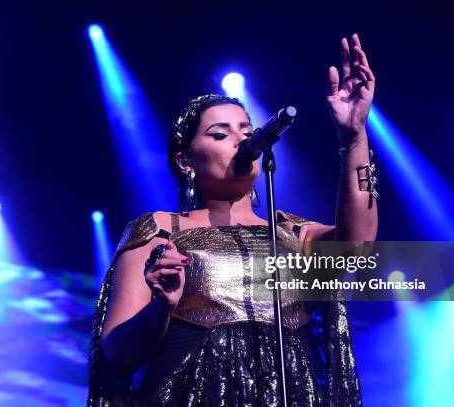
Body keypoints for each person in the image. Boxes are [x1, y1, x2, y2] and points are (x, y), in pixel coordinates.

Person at [87, 33, 377, 406]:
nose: (241, 140)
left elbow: (356, 248)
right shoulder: (160, 231)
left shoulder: (293, 234)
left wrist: (354, 136)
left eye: (246, 130)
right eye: (220, 134)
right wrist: (162, 304)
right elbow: (117, 354)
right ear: (185, 161)